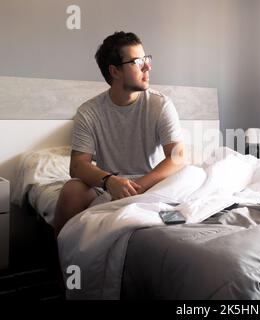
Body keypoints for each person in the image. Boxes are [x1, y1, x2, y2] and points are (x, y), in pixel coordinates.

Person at [54, 31, 185, 235]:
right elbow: (78, 165)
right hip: (110, 186)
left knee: (194, 174)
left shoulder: (160, 105)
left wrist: (137, 187)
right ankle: (61, 263)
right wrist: (110, 181)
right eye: (137, 61)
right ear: (115, 71)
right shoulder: (89, 112)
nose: (147, 66)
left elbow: (177, 157)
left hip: (154, 184)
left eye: (146, 59)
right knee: (71, 190)